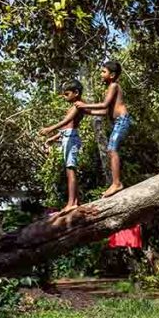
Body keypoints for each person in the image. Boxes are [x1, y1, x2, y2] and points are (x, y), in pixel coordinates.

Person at [77, 60, 130, 198]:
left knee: (112, 150)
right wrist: (88, 111)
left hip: (122, 121)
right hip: (119, 121)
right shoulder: (111, 88)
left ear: (112, 75)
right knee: (111, 150)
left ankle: (117, 183)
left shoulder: (113, 86)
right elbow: (105, 111)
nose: (101, 74)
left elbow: (104, 104)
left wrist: (84, 105)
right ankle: (115, 182)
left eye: (103, 72)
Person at [39, 80, 85, 214]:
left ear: (76, 93)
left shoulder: (77, 105)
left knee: (71, 169)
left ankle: (72, 203)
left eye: (66, 94)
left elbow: (66, 122)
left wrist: (50, 128)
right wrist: (52, 139)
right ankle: (74, 201)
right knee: (69, 170)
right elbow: (66, 129)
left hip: (71, 138)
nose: (65, 97)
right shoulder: (72, 106)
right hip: (67, 137)